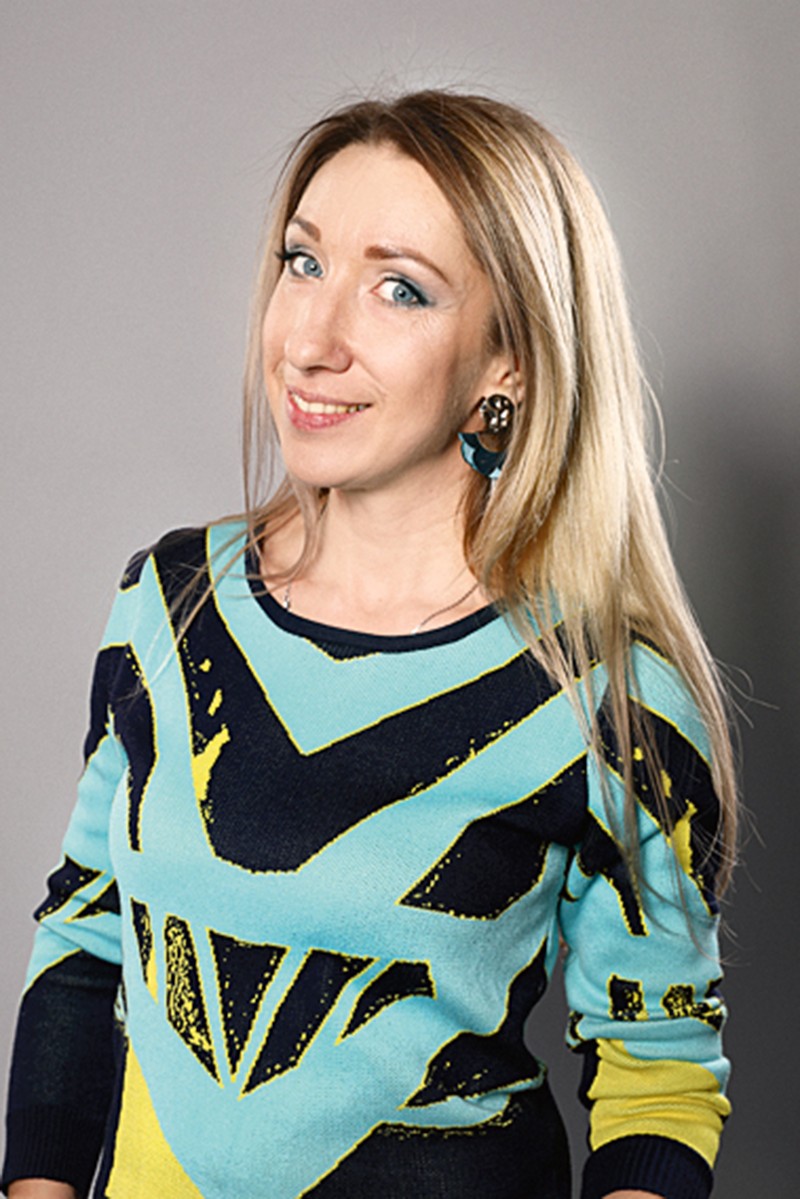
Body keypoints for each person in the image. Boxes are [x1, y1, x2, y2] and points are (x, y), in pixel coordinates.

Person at [2, 90, 737, 1199]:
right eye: (303, 263)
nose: (309, 340)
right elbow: (83, 942)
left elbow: (657, 1075)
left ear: (506, 363)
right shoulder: (171, 604)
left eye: (399, 288)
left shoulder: (608, 698)